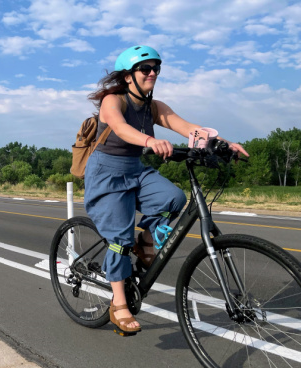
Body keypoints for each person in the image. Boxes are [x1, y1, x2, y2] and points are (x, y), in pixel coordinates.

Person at [85, 45, 249, 335]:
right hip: (107, 172)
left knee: (173, 198)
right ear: (128, 77)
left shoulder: (155, 107)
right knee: (120, 239)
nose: (152, 73)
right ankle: (119, 303)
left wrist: (225, 143)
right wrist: (149, 141)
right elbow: (120, 128)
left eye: (156, 68)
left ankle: (146, 242)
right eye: (145, 69)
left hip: (135, 169)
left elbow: (189, 128)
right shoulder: (115, 100)